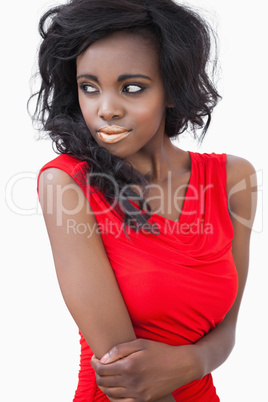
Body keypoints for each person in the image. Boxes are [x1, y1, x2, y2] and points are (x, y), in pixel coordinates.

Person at [31, 0, 257, 400]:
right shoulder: (66, 184)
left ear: (173, 89)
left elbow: (229, 328)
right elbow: (124, 374)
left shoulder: (233, 179)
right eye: (89, 87)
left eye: (131, 88)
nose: (106, 110)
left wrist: (197, 362)